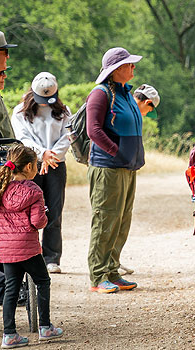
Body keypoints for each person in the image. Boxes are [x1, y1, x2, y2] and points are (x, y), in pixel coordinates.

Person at [0, 146, 66, 348]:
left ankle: (9, 334)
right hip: (28, 249)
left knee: (11, 289)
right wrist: (45, 216)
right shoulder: (34, 191)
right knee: (43, 281)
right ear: (29, 167)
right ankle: (45, 327)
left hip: (7, 250)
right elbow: (38, 222)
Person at [85, 47, 146, 294]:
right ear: (116, 69)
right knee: (105, 219)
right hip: (107, 168)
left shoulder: (126, 94)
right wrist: (116, 152)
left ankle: (112, 270)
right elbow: (93, 130)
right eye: (129, 64)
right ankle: (98, 276)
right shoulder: (100, 94)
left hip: (127, 168)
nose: (133, 68)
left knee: (121, 220)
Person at [10, 72, 72, 274]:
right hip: (31, 165)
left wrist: (51, 155)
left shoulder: (63, 111)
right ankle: (29, 255)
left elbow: (68, 135)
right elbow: (22, 137)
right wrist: (41, 153)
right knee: (30, 211)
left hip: (55, 164)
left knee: (54, 211)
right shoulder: (20, 111)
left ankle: (52, 257)